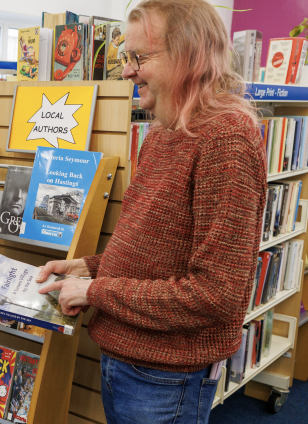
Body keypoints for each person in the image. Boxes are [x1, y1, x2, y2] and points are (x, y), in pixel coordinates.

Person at [35, 1, 266, 423]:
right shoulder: (162, 133)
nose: (126, 71)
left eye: (139, 58)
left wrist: (94, 292)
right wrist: (89, 268)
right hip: (126, 358)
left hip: (165, 378)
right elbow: (152, 249)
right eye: (127, 57)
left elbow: (215, 294)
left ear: (189, 56)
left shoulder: (227, 137)